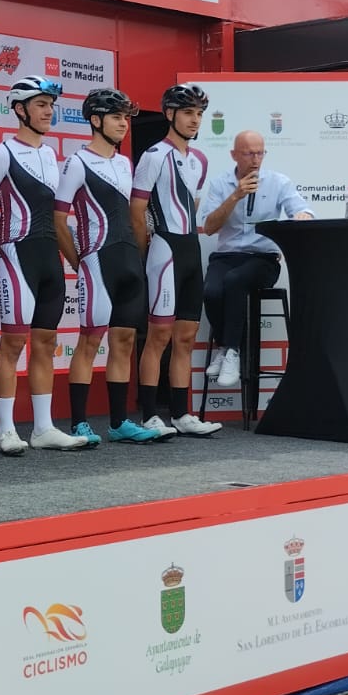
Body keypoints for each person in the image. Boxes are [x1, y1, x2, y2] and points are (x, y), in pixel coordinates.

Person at [0, 76, 89, 454]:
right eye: (41, 104)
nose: (48, 111)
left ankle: (43, 428)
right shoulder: (3, 153)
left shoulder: (52, 155)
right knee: (12, 343)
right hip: (17, 255)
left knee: (46, 342)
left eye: (51, 105)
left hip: (48, 258)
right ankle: (6, 430)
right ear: (20, 109)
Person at [55, 89, 168, 445]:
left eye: (125, 118)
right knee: (89, 341)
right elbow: (58, 219)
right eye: (116, 117)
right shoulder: (78, 162)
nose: (123, 124)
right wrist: (80, 262)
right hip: (97, 260)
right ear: (95, 120)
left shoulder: (124, 163)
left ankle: (119, 423)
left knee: (124, 341)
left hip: (129, 262)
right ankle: (79, 423)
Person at [131, 84, 222, 438]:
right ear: (169, 114)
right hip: (164, 250)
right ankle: (150, 415)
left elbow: (192, 206)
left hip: (190, 251)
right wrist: (144, 253)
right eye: (187, 113)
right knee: (158, 336)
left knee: (186, 337)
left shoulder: (200, 160)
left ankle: (182, 414)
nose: (194, 120)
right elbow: (137, 210)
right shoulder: (154, 155)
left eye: (199, 114)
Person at [198, 130, 315, 390]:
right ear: (234, 155)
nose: (255, 160)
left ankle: (232, 351)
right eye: (249, 153)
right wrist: (235, 196)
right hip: (227, 255)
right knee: (211, 291)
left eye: (260, 153)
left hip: (263, 259)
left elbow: (301, 208)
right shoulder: (220, 184)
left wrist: (303, 216)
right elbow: (209, 227)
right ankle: (225, 346)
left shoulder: (277, 182)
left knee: (235, 280)